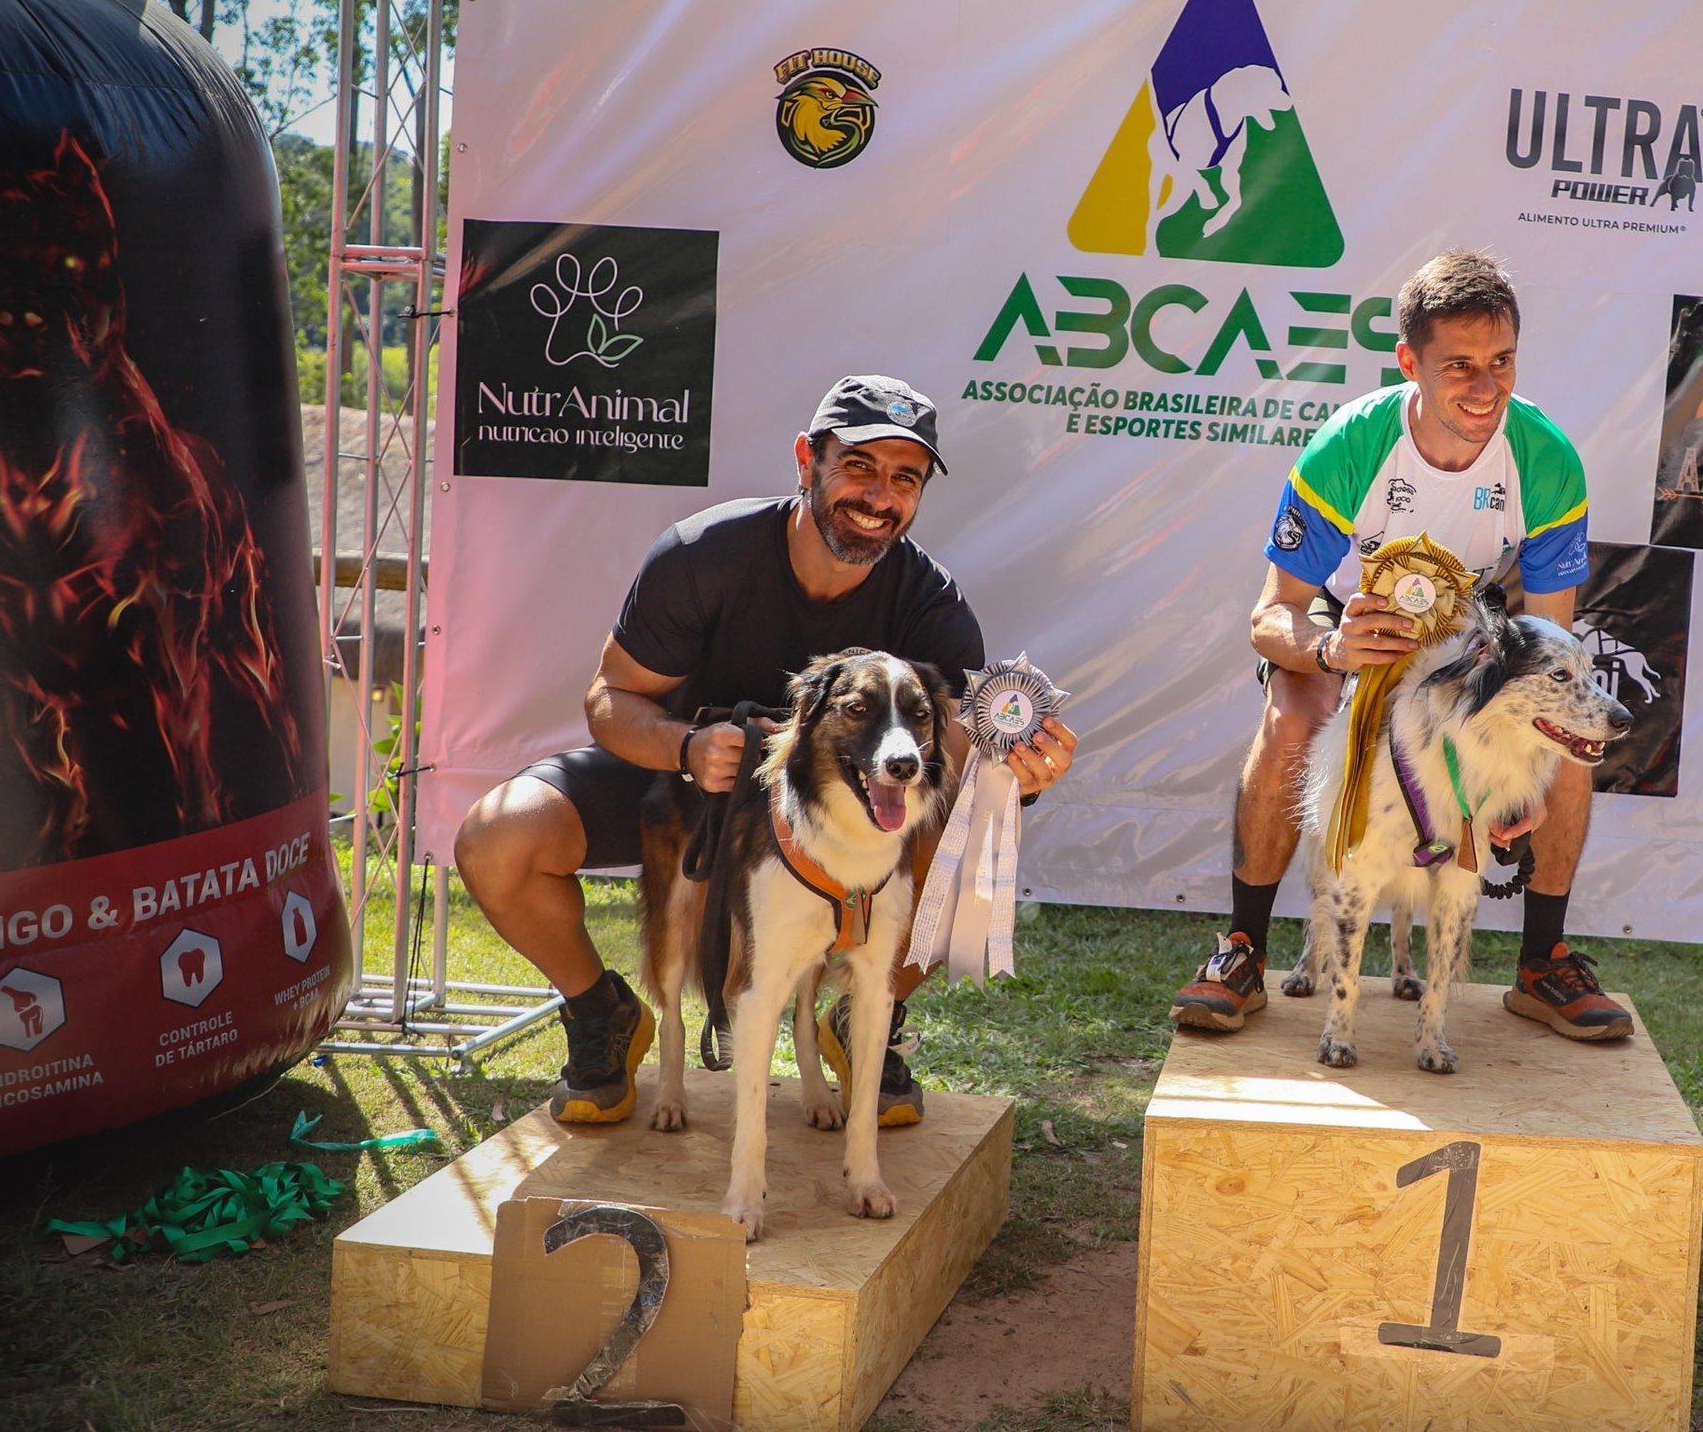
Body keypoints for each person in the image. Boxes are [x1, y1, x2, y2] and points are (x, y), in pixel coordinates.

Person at [453, 376, 1079, 1127]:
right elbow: (610, 697)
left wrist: (1020, 777)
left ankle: (866, 1016)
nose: (879, 496)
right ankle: (601, 1015)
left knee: (972, 837)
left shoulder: (929, 604)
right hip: (687, 789)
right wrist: (685, 746)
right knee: (498, 837)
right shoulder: (704, 554)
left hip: (829, 809)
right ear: (806, 460)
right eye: (859, 466)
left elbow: (957, 754)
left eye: (904, 479)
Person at [1169, 251, 1631, 1042]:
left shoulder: (1547, 459)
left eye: (1502, 362)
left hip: (1468, 632)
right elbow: (1271, 616)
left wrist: (1528, 773)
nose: (1486, 387)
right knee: (1292, 718)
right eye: (1460, 366)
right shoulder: (1350, 445)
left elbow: (1550, 637)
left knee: (1565, 733)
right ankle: (1242, 949)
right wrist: (1330, 651)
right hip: (1349, 621)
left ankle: (1542, 961)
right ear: (1409, 362)